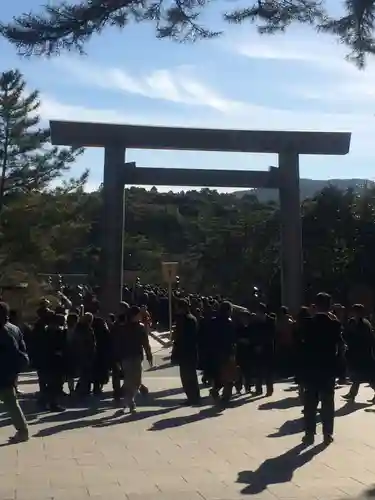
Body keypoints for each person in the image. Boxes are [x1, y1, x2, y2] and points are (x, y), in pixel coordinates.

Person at [300, 292, 343, 446]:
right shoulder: (335, 324)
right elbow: (339, 346)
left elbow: (301, 346)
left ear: (315, 305)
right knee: (327, 401)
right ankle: (327, 433)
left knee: (310, 402)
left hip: (311, 367)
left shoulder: (307, 323)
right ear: (329, 306)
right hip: (328, 368)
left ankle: (309, 433)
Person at [0, 302, 29, 442]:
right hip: (10, 372)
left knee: (11, 402)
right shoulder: (14, 328)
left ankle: (23, 431)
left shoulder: (2, 330)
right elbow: (22, 349)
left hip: (3, 372)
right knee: (11, 402)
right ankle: (22, 431)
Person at [115, 306, 153, 413]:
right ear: (133, 315)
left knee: (137, 381)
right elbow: (118, 344)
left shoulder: (140, 328)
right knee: (128, 380)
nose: (140, 316)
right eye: (139, 315)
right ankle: (130, 402)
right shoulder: (123, 328)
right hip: (126, 356)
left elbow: (145, 343)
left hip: (137, 356)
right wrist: (117, 358)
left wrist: (149, 354)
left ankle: (127, 400)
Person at [172, 299, 201, 405]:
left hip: (188, 352)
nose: (176, 310)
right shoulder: (185, 319)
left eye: (177, 308)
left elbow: (187, 337)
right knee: (187, 376)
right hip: (186, 352)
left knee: (189, 376)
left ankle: (194, 397)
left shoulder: (188, 320)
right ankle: (192, 397)